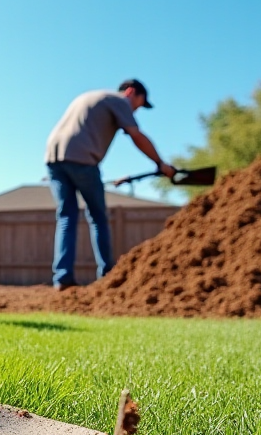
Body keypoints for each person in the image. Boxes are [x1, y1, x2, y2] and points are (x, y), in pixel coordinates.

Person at [43, 79, 176, 290]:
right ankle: (107, 275)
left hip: (53, 159)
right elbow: (136, 136)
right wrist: (161, 163)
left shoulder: (90, 96)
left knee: (67, 216)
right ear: (131, 92)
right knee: (98, 217)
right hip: (83, 160)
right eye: (139, 104)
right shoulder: (119, 101)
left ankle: (62, 277)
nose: (136, 110)